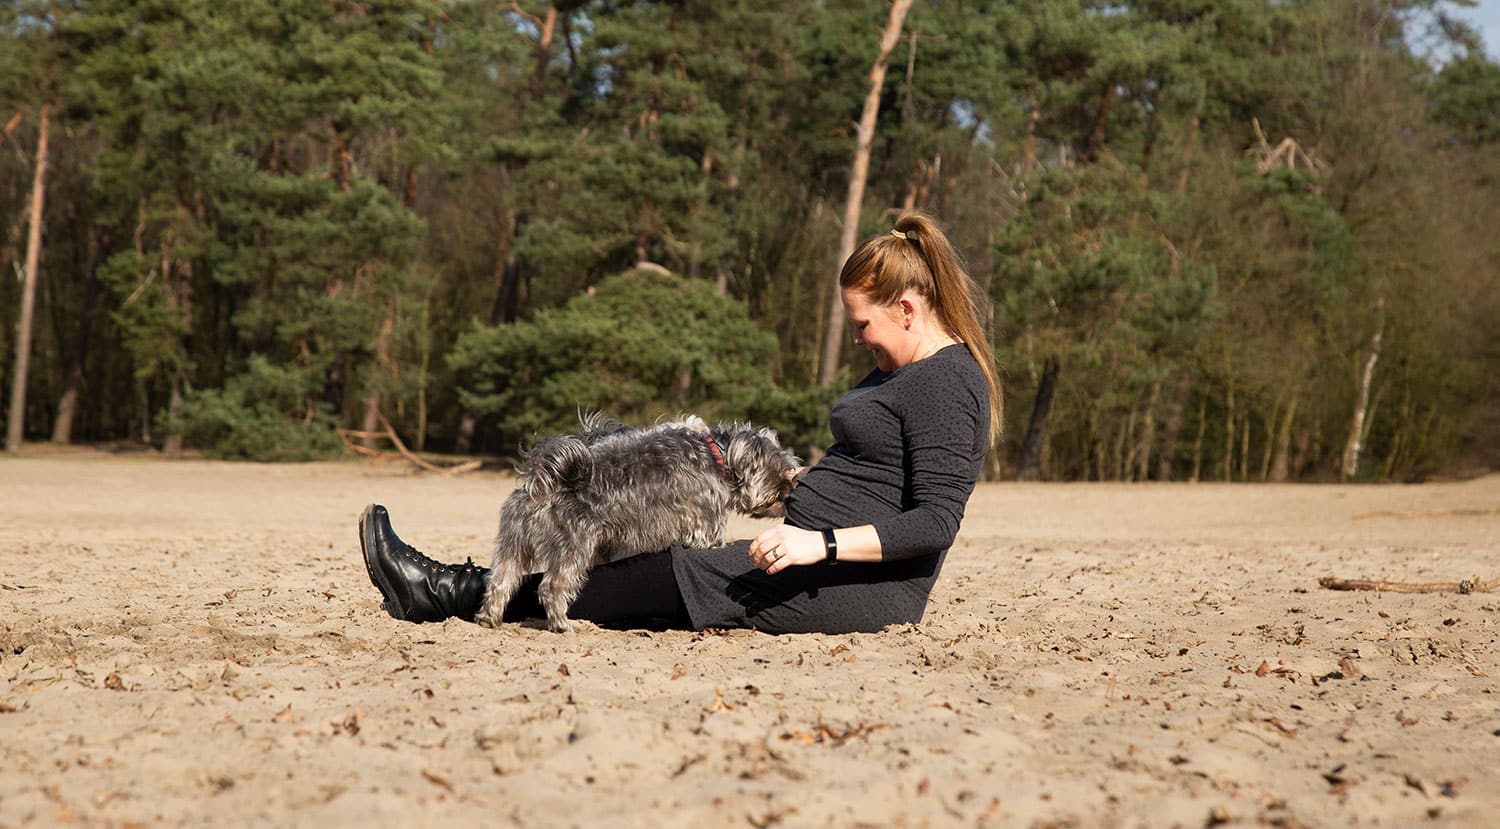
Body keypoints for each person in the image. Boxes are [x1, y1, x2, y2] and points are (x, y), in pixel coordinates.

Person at [360, 211, 1004, 634]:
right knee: (633, 502)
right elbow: (875, 472)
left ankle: (446, 591)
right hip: (806, 553)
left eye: (864, 325)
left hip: (854, 588)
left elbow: (933, 521)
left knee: (679, 570)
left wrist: (818, 544)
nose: (859, 340)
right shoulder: (903, 372)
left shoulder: (950, 382)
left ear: (909, 308)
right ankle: (479, 581)